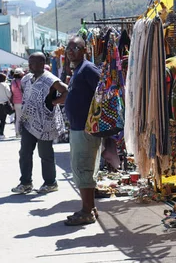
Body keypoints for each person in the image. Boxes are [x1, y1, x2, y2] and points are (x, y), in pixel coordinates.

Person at [11, 52, 68, 195]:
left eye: (34, 63)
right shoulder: (26, 79)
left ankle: (50, 183)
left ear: (42, 64)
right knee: (24, 153)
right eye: (29, 63)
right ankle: (25, 183)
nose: (30, 66)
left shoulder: (50, 79)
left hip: (45, 124)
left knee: (45, 154)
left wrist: (54, 102)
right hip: (29, 122)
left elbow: (67, 91)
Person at [63, 36, 102, 226]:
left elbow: (102, 94)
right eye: (68, 48)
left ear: (85, 49)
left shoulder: (88, 68)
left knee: (83, 167)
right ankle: (90, 207)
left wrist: (94, 122)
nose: (70, 51)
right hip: (78, 127)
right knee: (81, 169)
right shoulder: (77, 69)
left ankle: (87, 212)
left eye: (75, 48)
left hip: (86, 129)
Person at [11, 68, 24, 138]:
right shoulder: (22, 81)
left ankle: (17, 132)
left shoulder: (13, 82)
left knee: (18, 118)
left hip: (15, 102)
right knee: (25, 118)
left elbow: (12, 91)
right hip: (23, 101)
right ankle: (24, 132)